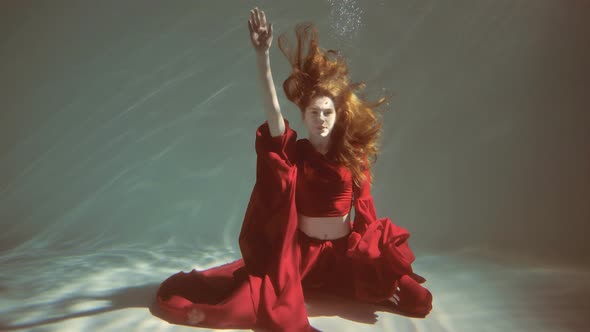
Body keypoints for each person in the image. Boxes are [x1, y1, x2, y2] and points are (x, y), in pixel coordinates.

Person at [153, 7, 433, 331]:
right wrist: (263, 57)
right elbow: (272, 111)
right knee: (239, 309)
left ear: (338, 115)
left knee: (419, 301)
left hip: (343, 258)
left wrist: (374, 262)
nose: (321, 119)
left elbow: (366, 213)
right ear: (304, 116)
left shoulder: (354, 159)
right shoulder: (295, 153)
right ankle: (302, 285)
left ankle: (343, 284)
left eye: (328, 112)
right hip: (303, 257)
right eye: (314, 112)